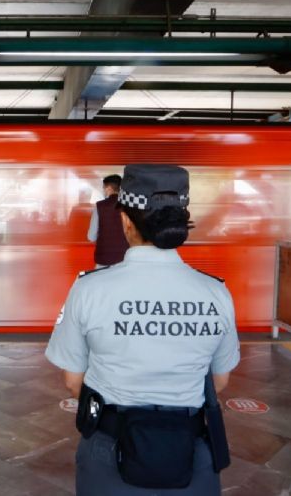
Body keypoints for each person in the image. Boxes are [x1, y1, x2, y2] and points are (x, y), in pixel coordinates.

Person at [46, 164, 240, 496]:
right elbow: (219, 380)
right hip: (190, 453)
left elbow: (73, 382)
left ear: (125, 221)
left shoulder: (89, 289)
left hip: (110, 451)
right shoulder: (216, 292)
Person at [87, 174, 129, 267]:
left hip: (104, 260)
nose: (104, 191)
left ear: (109, 188)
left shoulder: (100, 206)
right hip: (125, 259)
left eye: (104, 188)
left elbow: (91, 237)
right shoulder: (128, 206)